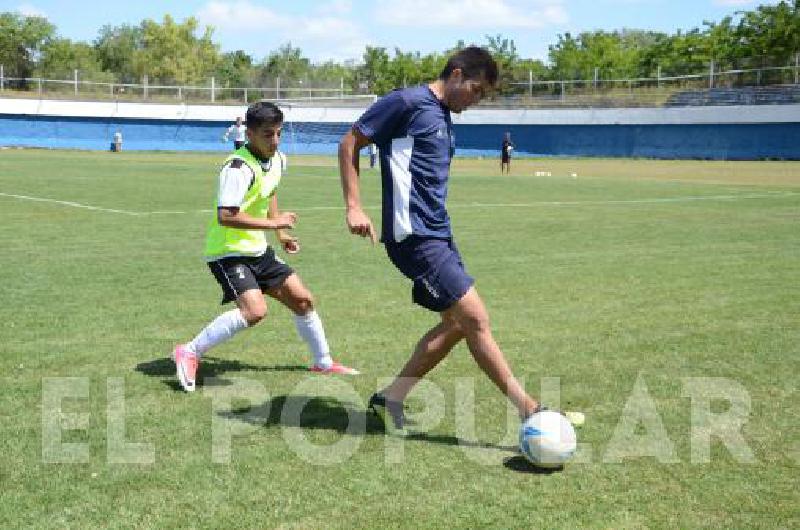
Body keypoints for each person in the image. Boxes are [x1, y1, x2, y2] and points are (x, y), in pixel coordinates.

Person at [338, 46, 567, 435]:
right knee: (476, 318)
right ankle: (530, 410)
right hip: (414, 238)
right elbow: (349, 144)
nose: (476, 101)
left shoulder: (442, 115)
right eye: (476, 91)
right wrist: (354, 207)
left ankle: (390, 399)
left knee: (457, 325)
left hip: (439, 234)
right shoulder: (407, 102)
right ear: (457, 74)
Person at [173, 101, 358, 393]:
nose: (274, 141)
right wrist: (273, 225)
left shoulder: (279, 160)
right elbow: (226, 216)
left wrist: (281, 232)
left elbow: (269, 192)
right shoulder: (237, 167)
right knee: (255, 311)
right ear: (249, 133)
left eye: (278, 133)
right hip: (228, 252)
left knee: (303, 301)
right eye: (267, 134)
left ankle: (323, 362)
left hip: (257, 250)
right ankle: (190, 351)